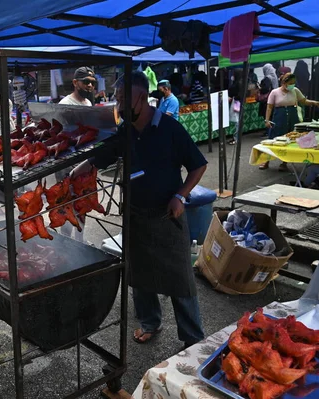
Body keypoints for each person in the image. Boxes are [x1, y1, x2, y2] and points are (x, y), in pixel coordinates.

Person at [71, 71, 207, 349]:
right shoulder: (127, 130)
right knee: (139, 276)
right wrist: (76, 171)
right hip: (135, 214)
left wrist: (181, 196)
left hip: (167, 216)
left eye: (123, 99)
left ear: (142, 97)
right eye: (117, 98)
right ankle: (150, 322)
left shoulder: (169, 129)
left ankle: (192, 338)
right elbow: (102, 155)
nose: (118, 105)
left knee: (180, 279)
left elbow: (198, 165)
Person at [58, 67, 97, 242]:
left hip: (85, 161)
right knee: (66, 202)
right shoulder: (65, 104)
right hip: (67, 162)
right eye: (86, 82)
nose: (89, 85)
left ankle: (80, 240)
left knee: (83, 202)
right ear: (75, 83)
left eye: (92, 82)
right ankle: (66, 240)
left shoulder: (88, 104)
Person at [260, 72, 319, 170]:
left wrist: (313, 103)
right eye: (290, 83)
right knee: (273, 139)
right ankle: (266, 161)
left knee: (290, 140)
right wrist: (267, 120)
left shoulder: (295, 90)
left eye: (293, 83)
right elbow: (269, 107)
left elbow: (303, 101)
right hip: (279, 117)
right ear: (284, 83)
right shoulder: (275, 92)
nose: (292, 85)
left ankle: (284, 163)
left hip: (292, 117)